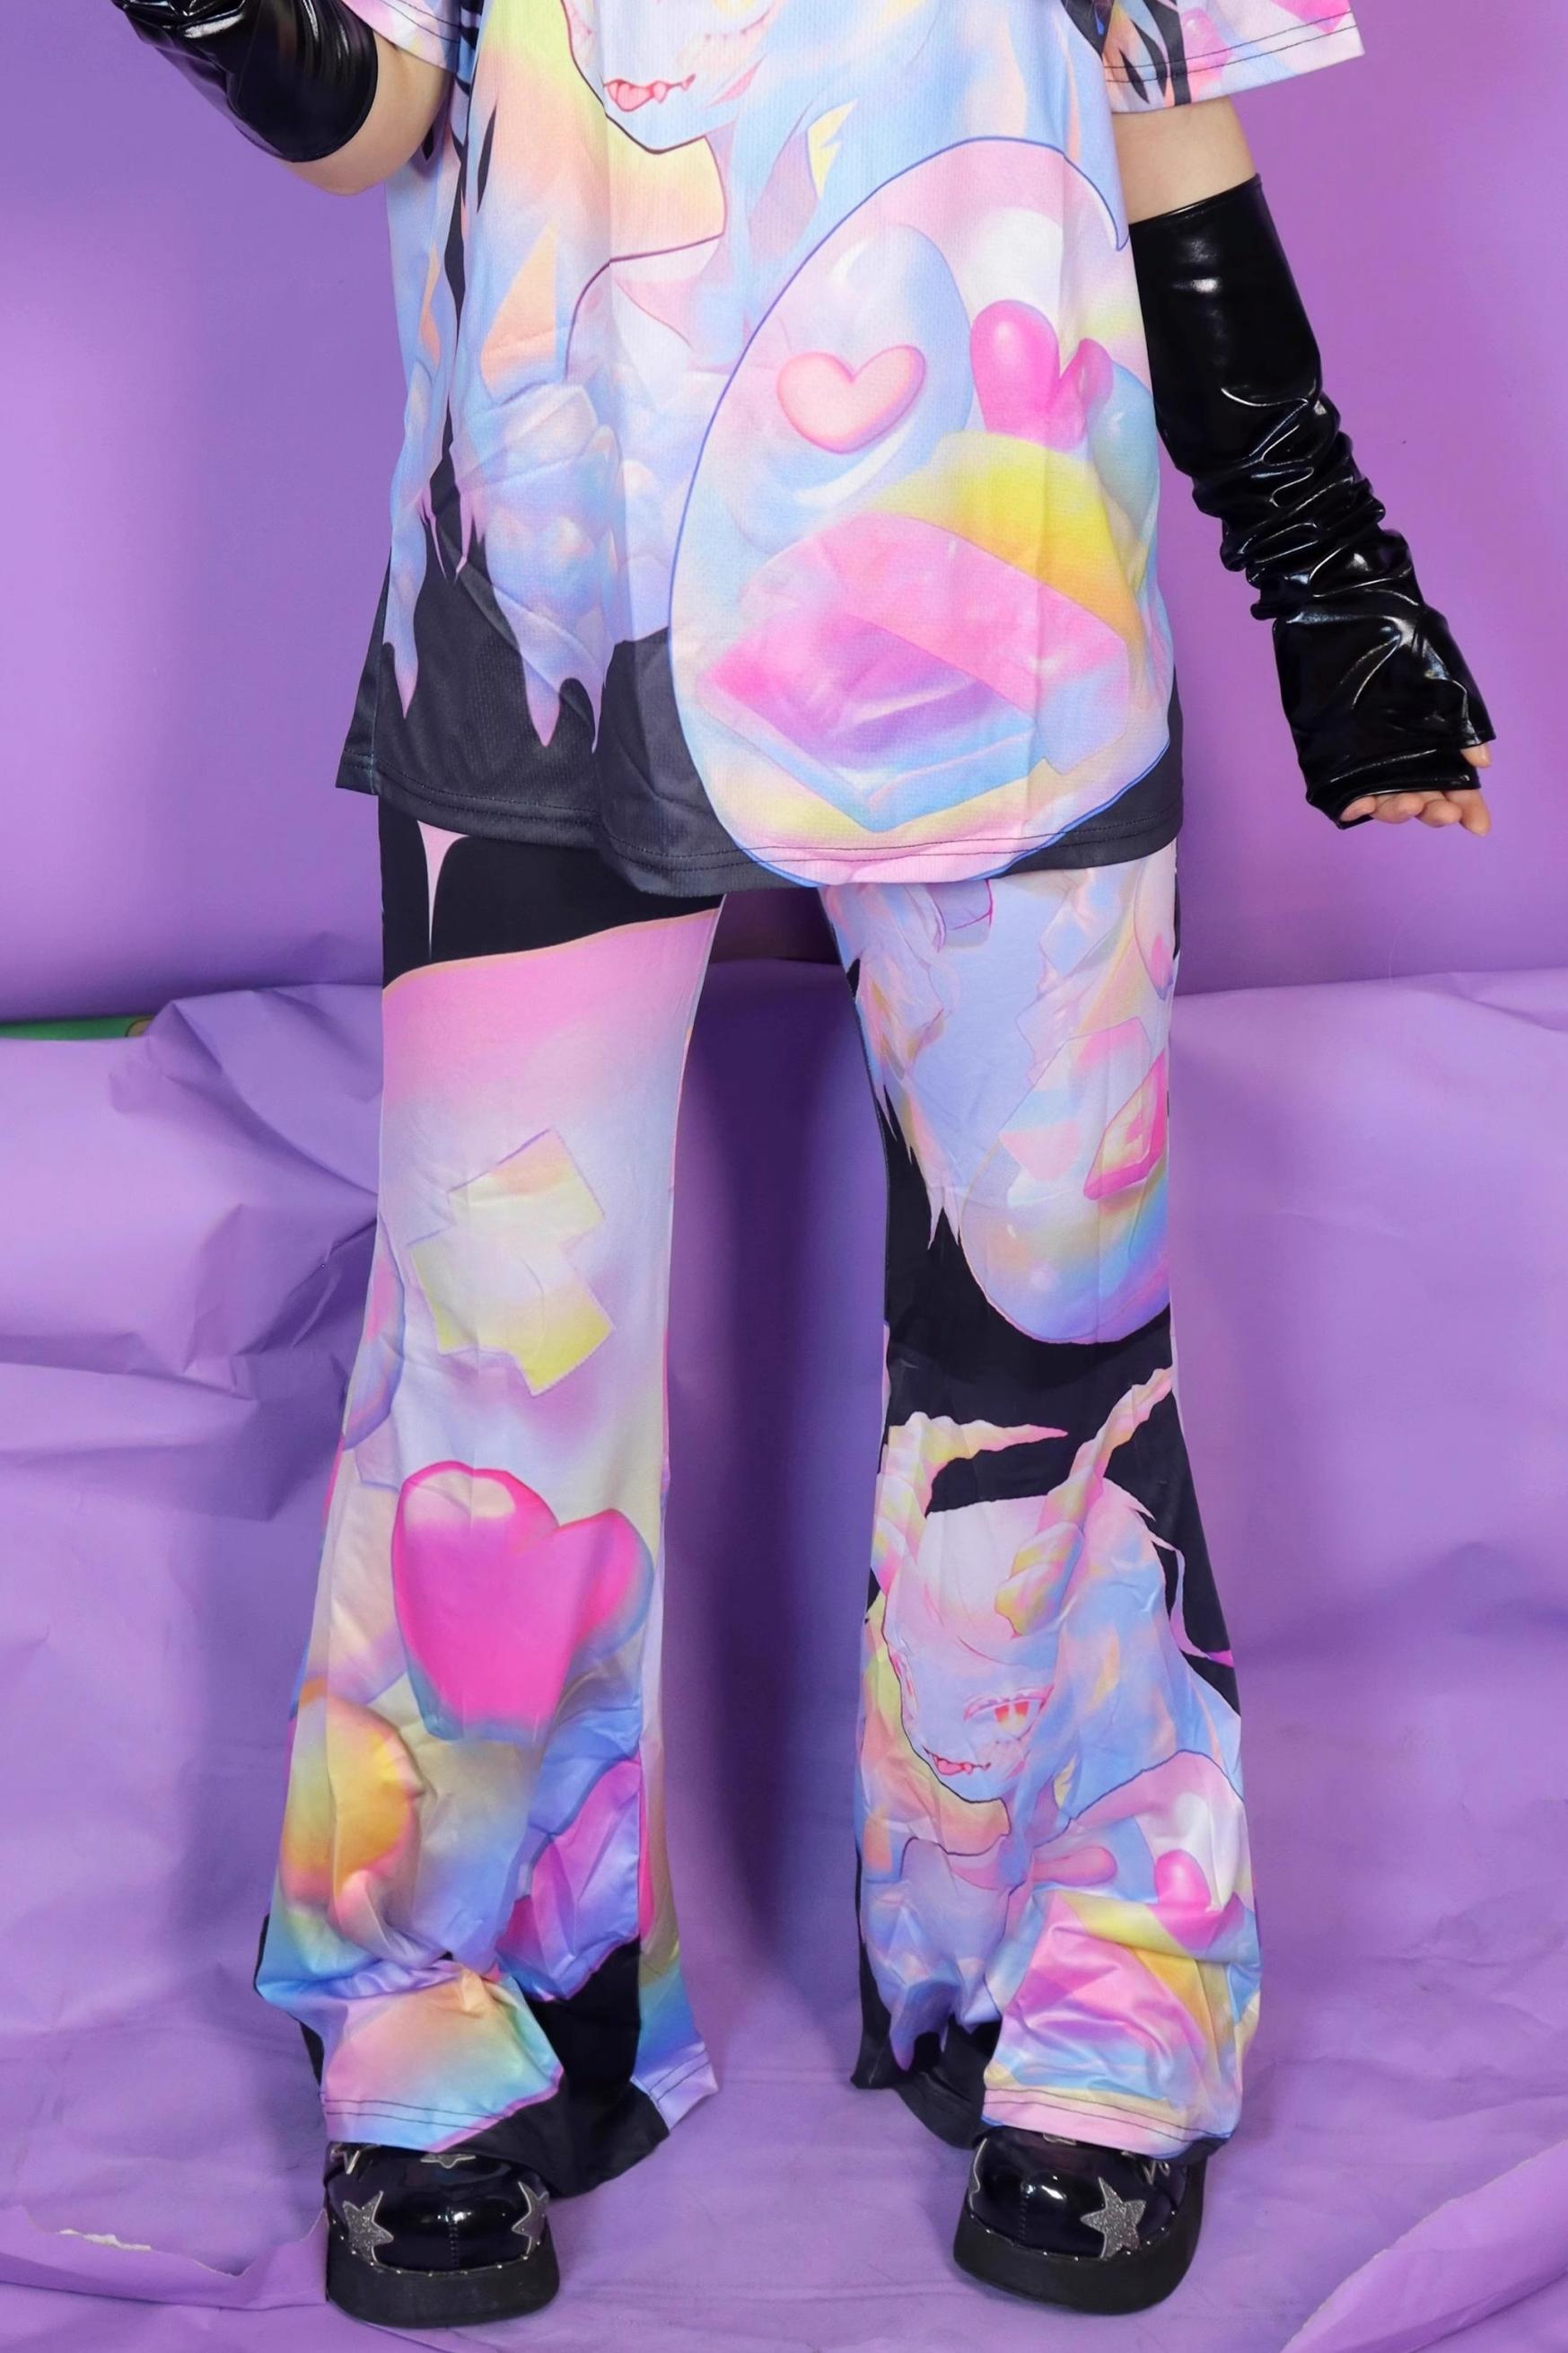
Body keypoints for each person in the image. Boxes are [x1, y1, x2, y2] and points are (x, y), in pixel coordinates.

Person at [111, 0, 1494, 2328]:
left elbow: (1160, 85)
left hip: (1008, 565)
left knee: (1050, 1333)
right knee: (493, 1347)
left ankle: (1096, 1974)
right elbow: (383, 120)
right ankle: (447, 2000)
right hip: (543, 605)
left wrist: (1320, 557)